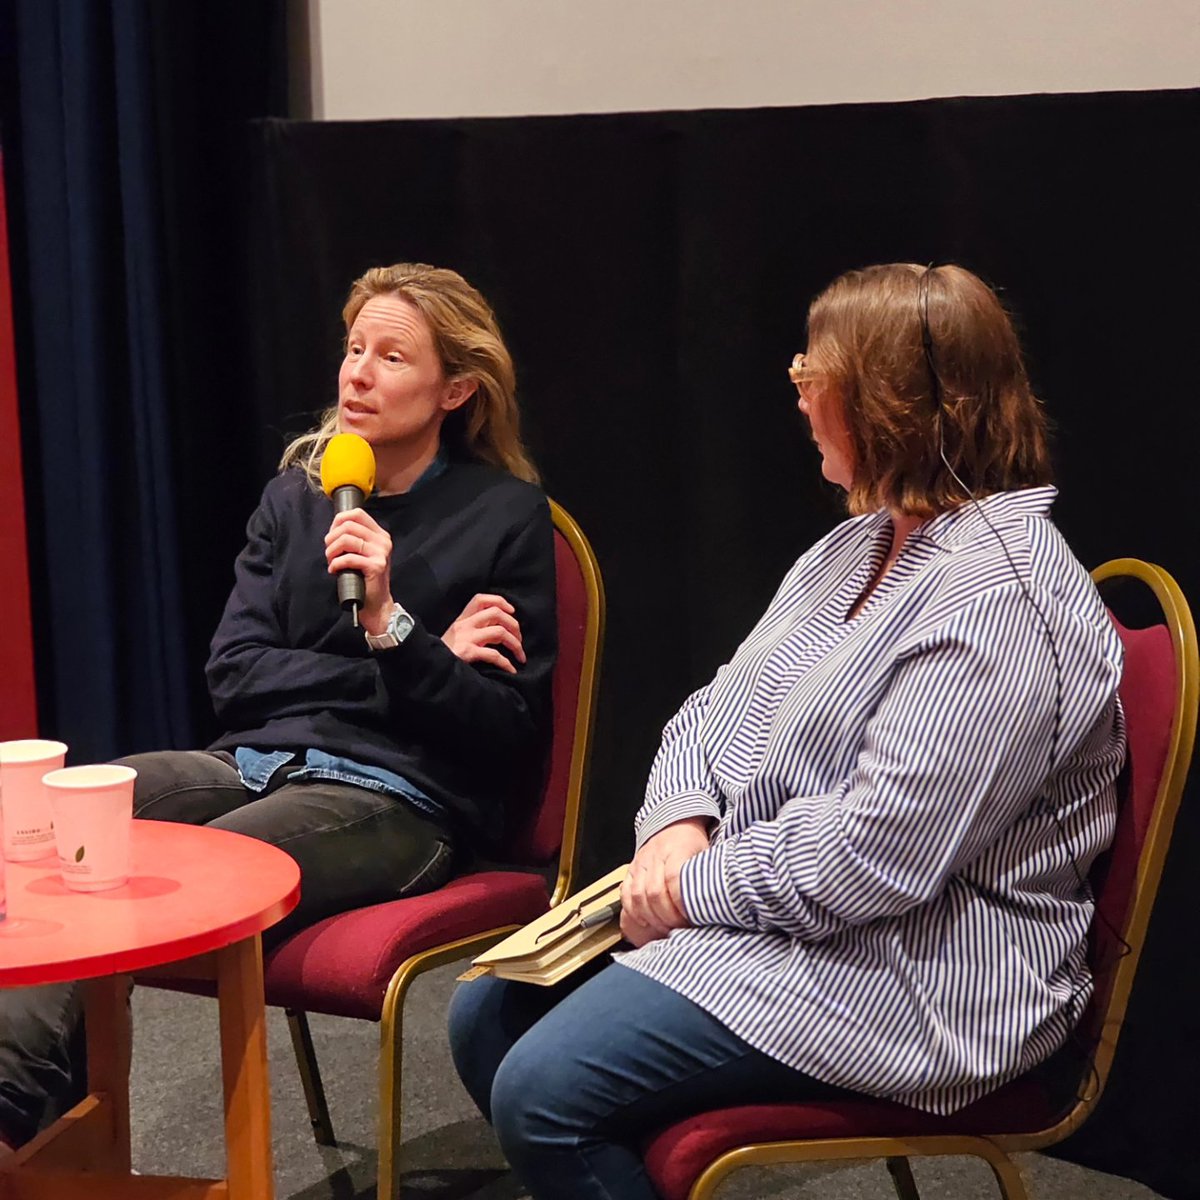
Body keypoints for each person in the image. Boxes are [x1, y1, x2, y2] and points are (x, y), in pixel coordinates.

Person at [447, 263, 1126, 1200]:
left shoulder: (999, 604)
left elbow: (871, 858)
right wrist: (678, 825)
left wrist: (692, 889)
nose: (800, 399)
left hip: (918, 972)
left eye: (816, 378)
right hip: (788, 919)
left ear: (889, 403)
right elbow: (713, 713)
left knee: (547, 1091)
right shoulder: (858, 544)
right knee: (488, 1013)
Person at [0, 262, 557, 1151]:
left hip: (403, 801)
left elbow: (500, 734)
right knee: (79, 813)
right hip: (255, 759)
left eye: (391, 357)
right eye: (352, 349)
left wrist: (387, 620)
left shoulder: (506, 517)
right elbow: (236, 674)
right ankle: (43, 1127)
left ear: (456, 388)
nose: (357, 375)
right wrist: (410, 655)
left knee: (198, 870)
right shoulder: (297, 498)